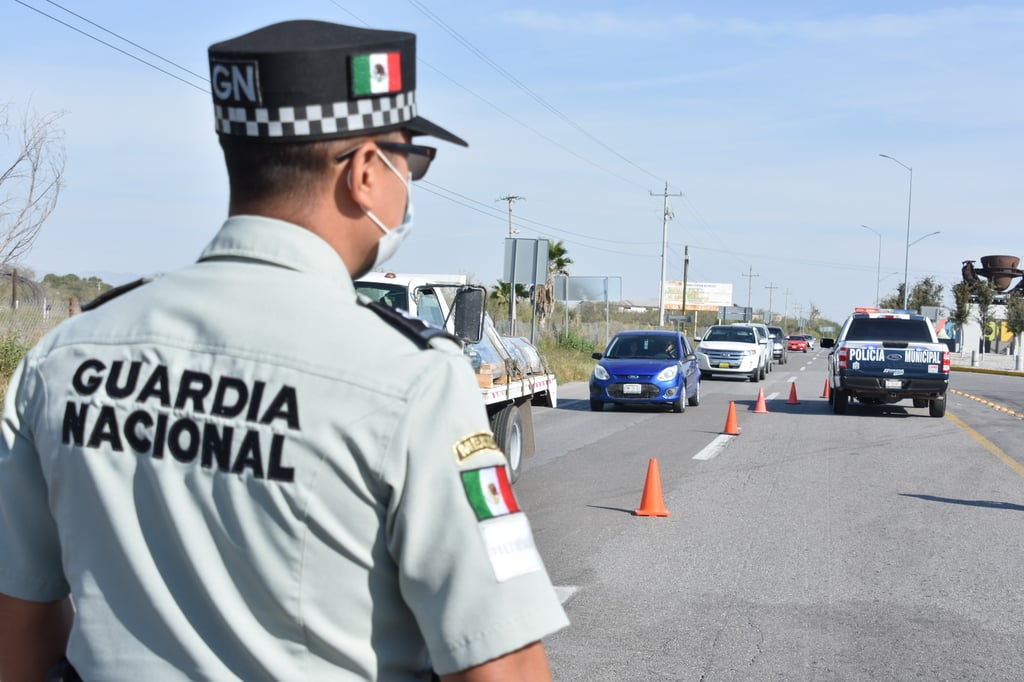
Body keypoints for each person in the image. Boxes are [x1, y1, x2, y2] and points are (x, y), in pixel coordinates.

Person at [0, 19, 568, 681]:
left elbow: (20, 625)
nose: (409, 186)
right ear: (364, 174)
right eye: (411, 162)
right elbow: (503, 666)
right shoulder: (409, 379)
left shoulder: (65, 357)